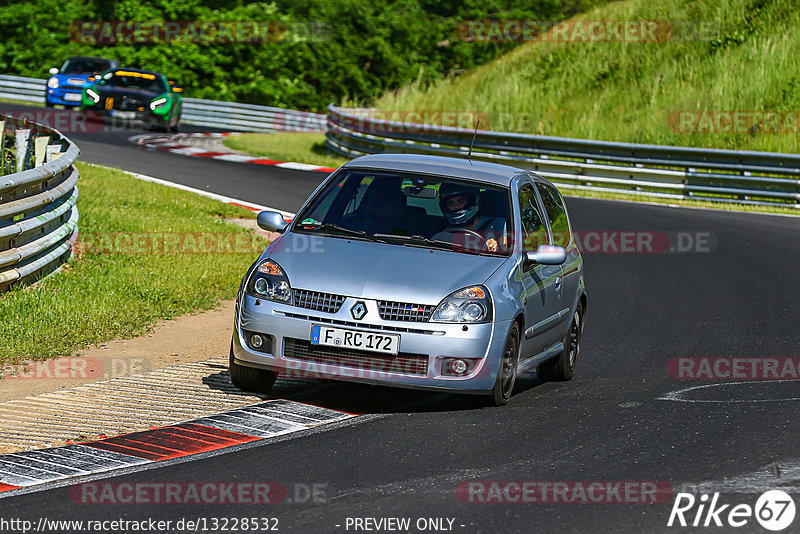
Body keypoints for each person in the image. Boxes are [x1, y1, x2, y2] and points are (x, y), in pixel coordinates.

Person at [433, 183, 507, 252]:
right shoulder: (447, 232)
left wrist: (495, 247)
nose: (456, 206)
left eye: (461, 201)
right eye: (451, 203)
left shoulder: (497, 224)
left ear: (472, 201)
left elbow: (507, 249)